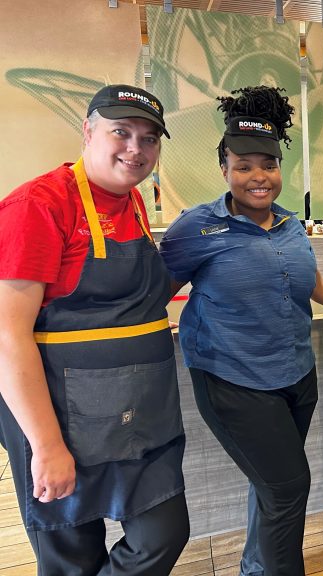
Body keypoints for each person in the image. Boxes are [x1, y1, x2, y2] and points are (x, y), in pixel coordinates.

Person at [0, 84, 188, 574]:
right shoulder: (38, 205)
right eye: (120, 132)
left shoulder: (132, 202)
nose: (135, 149)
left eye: (149, 139)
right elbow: (7, 336)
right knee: (72, 559)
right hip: (63, 416)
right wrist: (47, 446)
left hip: (138, 412)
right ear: (87, 131)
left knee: (163, 533)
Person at [159, 85, 323, 576]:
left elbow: (317, 287)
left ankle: (256, 569)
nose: (259, 176)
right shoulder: (197, 228)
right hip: (233, 382)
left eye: (268, 165)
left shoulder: (290, 224)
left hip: (296, 376)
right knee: (287, 489)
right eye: (244, 166)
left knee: (271, 485)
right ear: (224, 169)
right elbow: (153, 295)